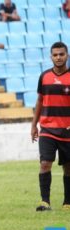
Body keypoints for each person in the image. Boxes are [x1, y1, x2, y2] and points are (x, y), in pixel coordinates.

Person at [31, 42, 70, 212]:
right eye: (55, 55)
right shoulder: (44, 76)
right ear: (50, 56)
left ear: (67, 55)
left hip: (67, 131)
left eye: (61, 54)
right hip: (47, 129)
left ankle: (67, 202)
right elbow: (40, 101)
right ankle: (44, 202)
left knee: (68, 167)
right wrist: (34, 125)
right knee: (45, 163)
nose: (58, 57)